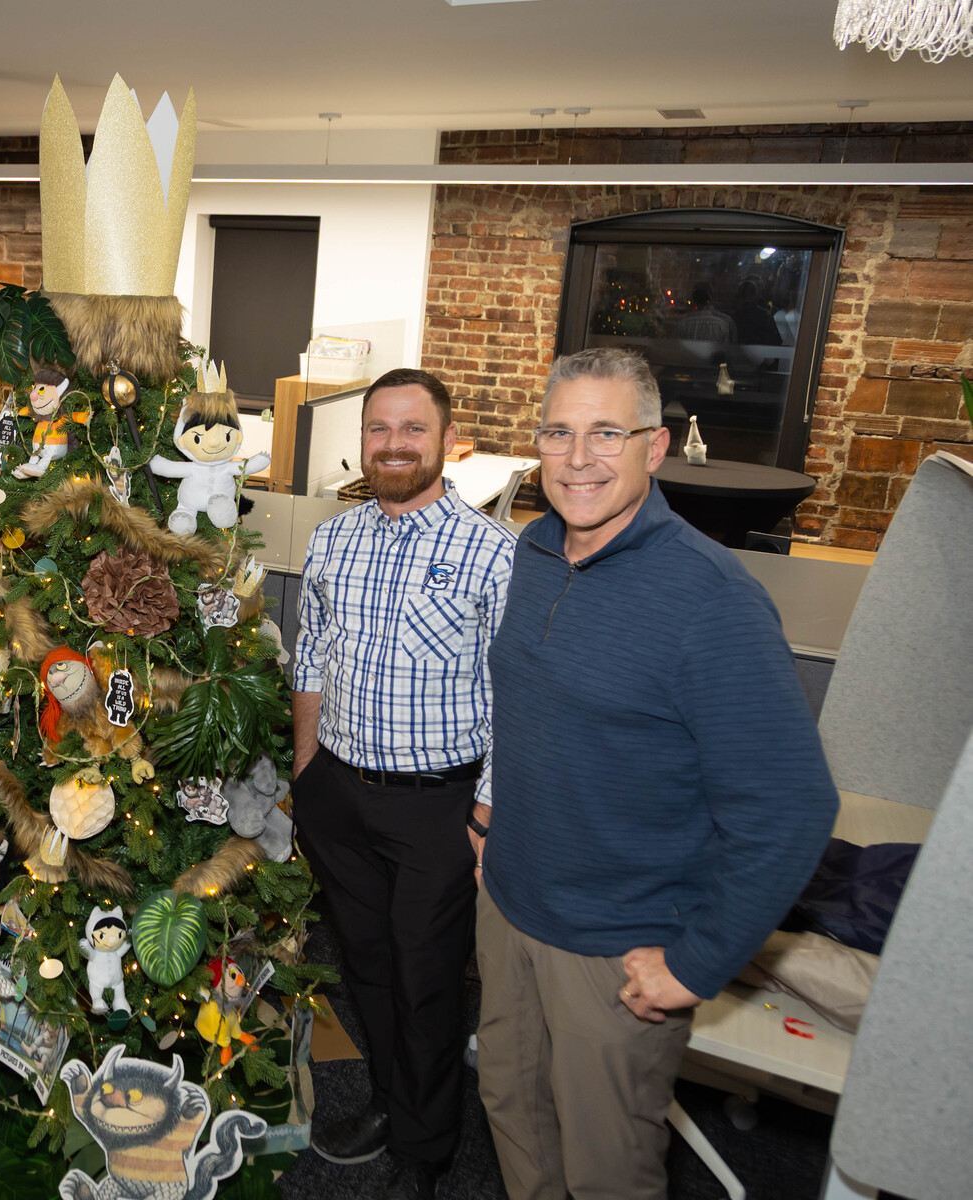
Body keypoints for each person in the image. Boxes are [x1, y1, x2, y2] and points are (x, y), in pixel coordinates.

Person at [476, 348, 837, 1200]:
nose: (578, 458)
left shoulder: (711, 599)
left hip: (617, 948)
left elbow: (792, 807)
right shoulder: (534, 549)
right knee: (512, 1110)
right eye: (558, 433)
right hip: (510, 907)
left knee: (605, 1169)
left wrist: (696, 962)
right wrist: (489, 822)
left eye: (607, 433)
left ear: (656, 447)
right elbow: (536, 712)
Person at [291, 368, 516, 1199]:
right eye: (378, 429)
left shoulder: (494, 553)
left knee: (426, 981)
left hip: (439, 807)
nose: (393, 445)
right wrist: (307, 772)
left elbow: (515, 694)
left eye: (413, 429)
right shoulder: (334, 539)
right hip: (339, 792)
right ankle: (390, 1102)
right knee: (367, 966)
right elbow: (310, 656)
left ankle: (426, 1151)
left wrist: (485, 812)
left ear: (448, 441)